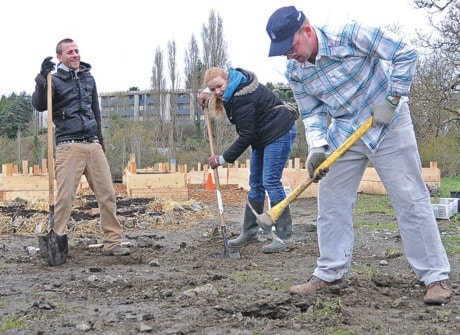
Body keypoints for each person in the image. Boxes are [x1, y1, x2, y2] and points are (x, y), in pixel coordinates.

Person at [265, 6, 451, 304]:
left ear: (307, 31)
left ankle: (435, 276)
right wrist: (316, 147)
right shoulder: (295, 71)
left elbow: (405, 52)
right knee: (331, 201)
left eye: (292, 46)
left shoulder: (349, 34)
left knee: (410, 198)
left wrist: (393, 98)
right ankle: (329, 273)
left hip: (387, 121)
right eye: (283, 51)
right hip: (345, 131)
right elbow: (311, 113)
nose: (289, 54)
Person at [32, 38, 130, 257]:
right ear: (60, 57)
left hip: (93, 144)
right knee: (65, 198)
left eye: (77, 51)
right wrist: (41, 79)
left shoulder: (89, 79)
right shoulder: (53, 80)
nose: (75, 55)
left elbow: (96, 111)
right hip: (69, 146)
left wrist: (100, 143)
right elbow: (39, 105)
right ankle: (56, 242)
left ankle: (112, 242)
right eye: (70, 52)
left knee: (107, 194)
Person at [199, 67, 298, 253]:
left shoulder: (242, 97)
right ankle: (250, 232)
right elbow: (216, 84)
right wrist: (206, 92)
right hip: (261, 136)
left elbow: (246, 136)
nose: (217, 92)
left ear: (227, 79)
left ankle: (285, 237)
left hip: (279, 131)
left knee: (270, 180)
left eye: (219, 87)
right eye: (213, 90)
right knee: (256, 184)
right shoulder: (234, 85)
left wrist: (222, 159)